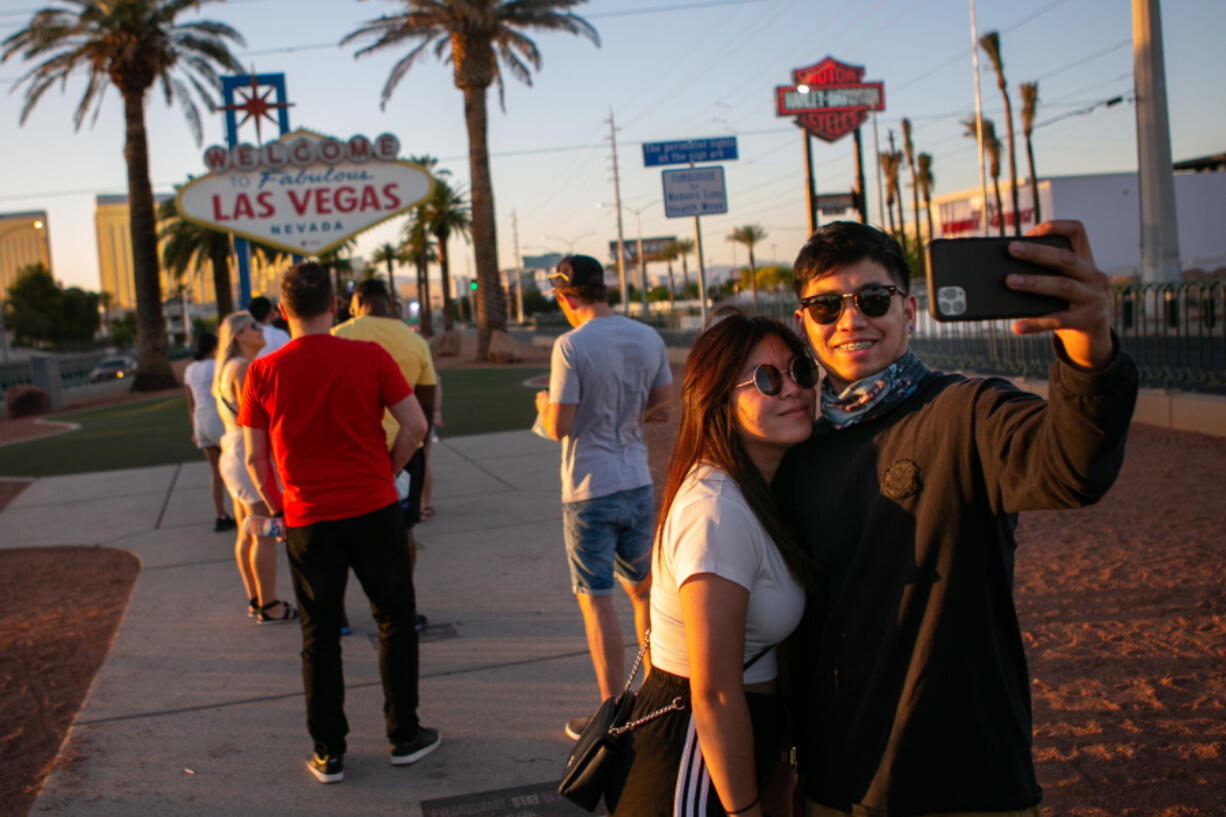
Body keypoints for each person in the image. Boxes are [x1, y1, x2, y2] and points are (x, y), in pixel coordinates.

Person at [773, 220, 1139, 816]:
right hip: (838, 783)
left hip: (970, 779)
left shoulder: (965, 412)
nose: (850, 320)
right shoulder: (796, 449)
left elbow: (1072, 467)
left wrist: (1088, 346)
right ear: (802, 323)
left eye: (871, 299)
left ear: (909, 312)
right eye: (824, 306)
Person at [609, 310, 821, 817]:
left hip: (725, 754)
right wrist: (745, 810)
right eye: (767, 379)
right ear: (719, 399)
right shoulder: (716, 512)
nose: (792, 389)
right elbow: (715, 695)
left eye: (801, 371)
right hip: (693, 765)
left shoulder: (757, 488)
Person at [239, 261, 437, 785]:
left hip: (307, 519)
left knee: (319, 635)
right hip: (373, 509)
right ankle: (404, 735)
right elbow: (415, 426)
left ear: (283, 311)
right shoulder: (369, 356)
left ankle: (329, 751)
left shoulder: (262, 371)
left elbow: (256, 460)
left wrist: (278, 508)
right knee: (395, 620)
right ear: (334, 305)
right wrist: (385, 471)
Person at [533, 254, 673, 738]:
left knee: (595, 599)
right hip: (635, 480)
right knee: (643, 591)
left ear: (567, 296)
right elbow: (662, 408)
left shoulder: (570, 345)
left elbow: (560, 425)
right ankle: (657, 696)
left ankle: (613, 713)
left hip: (589, 490)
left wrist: (542, 406)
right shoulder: (647, 336)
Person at [332, 278, 437, 569]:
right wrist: (417, 452)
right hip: (405, 452)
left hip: (354, 452)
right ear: (387, 302)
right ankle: (405, 603)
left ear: (356, 302)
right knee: (403, 531)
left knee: (352, 532)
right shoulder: (416, 341)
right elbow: (425, 406)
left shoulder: (338, 334)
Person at [213, 312, 295, 624]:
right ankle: (270, 603)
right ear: (238, 336)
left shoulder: (226, 369)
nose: (262, 331)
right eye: (255, 327)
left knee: (247, 529)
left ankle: (256, 598)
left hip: (232, 452)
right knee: (263, 530)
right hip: (247, 452)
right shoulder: (244, 369)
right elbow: (265, 415)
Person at [183, 331, 233, 532]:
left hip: (201, 420)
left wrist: (195, 429)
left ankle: (221, 515)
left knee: (215, 472)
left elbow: (190, 403)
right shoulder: (218, 366)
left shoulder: (189, 370)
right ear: (214, 348)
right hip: (218, 419)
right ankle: (245, 512)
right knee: (235, 468)